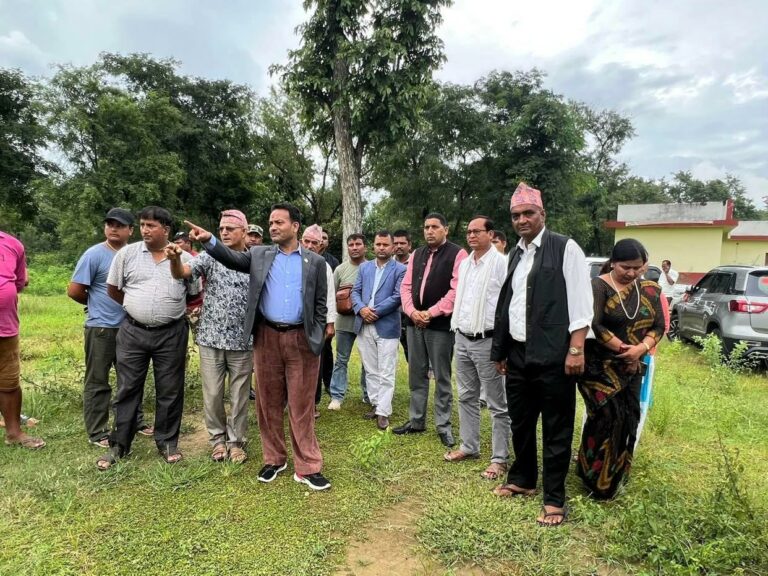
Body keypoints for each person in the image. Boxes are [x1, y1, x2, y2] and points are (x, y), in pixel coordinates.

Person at [186, 203, 332, 490]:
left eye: (279, 222)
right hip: (266, 338)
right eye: (271, 222)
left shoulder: (315, 262)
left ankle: (308, 466)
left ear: (295, 227)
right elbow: (230, 258)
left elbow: (319, 303)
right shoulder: (259, 254)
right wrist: (209, 240)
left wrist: (315, 334)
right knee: (268, 402)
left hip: (301, 339)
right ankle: (274, 459)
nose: (273, 227)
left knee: (301, 405)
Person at [490, 182, 593, 527]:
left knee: (556, 426)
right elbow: (508, 304)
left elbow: (581, 304)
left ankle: (554, 498)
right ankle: (523, 479)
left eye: (528, 213)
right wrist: (501, 349)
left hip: (555, 355)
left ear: (542, 214)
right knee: (520, 421)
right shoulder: (515, 254)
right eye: (515, 215)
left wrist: (576, 349)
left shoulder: (565, 248)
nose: (521, 220)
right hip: (518, 353)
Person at [97, 206, 200, 470]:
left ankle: (167, 442)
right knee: (128, 388)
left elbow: (193, 293)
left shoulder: (185, 257)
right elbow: (113, 289)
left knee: (170, 389)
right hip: (133, 331)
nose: (144, 230)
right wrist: (137, 307)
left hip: (171, 333)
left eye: (151, 225)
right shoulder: (127, 254)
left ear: (165, 229)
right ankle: (120, 444)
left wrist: (164, 310)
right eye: (142, 224)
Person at [577, 239, 665, 499]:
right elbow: (595, 324)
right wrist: (625, 349)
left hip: (633, 366)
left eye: (637, 268)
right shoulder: (598, 286)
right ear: (613, 262)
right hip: (600, 367)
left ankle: (615, 478)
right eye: (626, 267)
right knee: (605, 419)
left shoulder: (650, 290)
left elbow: (659, 326)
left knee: (628, 419)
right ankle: (593, 478)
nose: (632, 273)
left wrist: (640, 350)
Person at [166, 209, 253, 464]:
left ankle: (236, 442)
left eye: (230, 229)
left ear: (244, 232)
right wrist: (174, 259)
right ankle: (217, 440)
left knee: (239, 395)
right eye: (221, 228)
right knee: (213, 393)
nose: (224, 232)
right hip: (211, 338)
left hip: (242, 339)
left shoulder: (255, 258)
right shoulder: (210, 256)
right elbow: (182, 272)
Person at [67, 208, 152, 448]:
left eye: (119, 225)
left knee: (131, 379)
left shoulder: (136, 254)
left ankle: (135, 421)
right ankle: (98, 431)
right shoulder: (94, 254)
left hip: (130, 327)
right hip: (102, 328)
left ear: (130, 230)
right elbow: (75, 290)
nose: (113, 228)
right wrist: (95, 303)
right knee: (98, 381)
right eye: (110, 224)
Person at [444, 216, 511, 480]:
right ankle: (469, 446)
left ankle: (499, 458)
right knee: (466, 396)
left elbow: (507, 304)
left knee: (496, 403)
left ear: (490, 234)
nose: (471, 235)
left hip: (488, 340)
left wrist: (503, 345)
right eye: (468, 232)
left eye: (477, 231)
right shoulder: (465, 264)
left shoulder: (501, 263)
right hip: (462, 337)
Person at [395, 213, 468, 448]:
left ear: (446, 229)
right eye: (426, 227)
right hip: (414, 323)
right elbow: (405, 287)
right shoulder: (417, 253)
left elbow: (456, 290)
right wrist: (411, 311)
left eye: (435, 227)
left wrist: (431, 313)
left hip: (440, 326)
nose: (429, 231)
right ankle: (417, 420)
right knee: (416, 374)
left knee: (442, 377)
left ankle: (443, 425)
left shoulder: (458, 254)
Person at [351, 231, 406, 430]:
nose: (381, 248)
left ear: (392, 247)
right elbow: (355, 292)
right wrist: (361, 309)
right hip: (364, 324)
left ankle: (384, 412)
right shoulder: (364, 267)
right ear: (373, 246)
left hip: (387, 325)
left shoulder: (400, 269)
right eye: (378, 244)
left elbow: (397, 296)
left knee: (386, 370)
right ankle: (375, 404)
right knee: (370, 368)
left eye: (385, 244)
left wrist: (374, 311)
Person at [0, 230, 45, 450]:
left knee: (8, 380)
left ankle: (14, 433)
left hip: (5, 326)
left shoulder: (12, 244)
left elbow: (18, 282)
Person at [300, 224, 337, 417]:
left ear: (320, 245)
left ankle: (312, 403)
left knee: (315, 364)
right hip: (294, 323)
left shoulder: (324, 265)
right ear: (300, 241)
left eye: (314, 242)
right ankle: (293, 402)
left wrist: (330, 323)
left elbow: (330, 296)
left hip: (316, 323)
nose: (310, 245)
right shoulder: (292, 261)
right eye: (306, 241)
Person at [328, 234, 368, 410]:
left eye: (358, 244)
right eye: (351, 244)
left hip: (366, 322)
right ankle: (336, 396)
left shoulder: (371, 267)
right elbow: (331, 296)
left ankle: (368, 394)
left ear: (365, 247)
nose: (354, 247)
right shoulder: (340, 270)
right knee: (341, 359)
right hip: (344, 321)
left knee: (368, 361)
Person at [393, 229, 412, 361]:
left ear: (409, 245)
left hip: (409, 314)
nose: (398, 246)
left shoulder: (417, 262)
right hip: (390, 313)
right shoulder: (387, 263)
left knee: (411, 352)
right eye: (395, 243)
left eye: (402, 243)